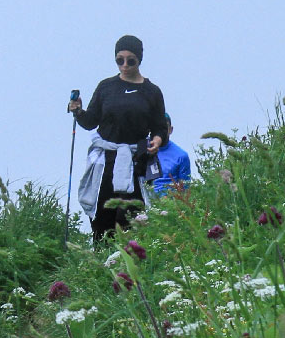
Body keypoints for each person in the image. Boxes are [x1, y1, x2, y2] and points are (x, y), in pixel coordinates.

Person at [67, 35, 166, 243]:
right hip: (105, 160)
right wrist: (78, 112)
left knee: (130, 216)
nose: (125, 65)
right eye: (119, 60)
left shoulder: (152, 92)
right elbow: (90, 122)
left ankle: (130, 261)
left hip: (135, 159)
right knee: (102, 215)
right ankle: (100, 261)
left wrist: (157, 140)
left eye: (131, 60)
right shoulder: (106, 87)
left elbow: (159, 128)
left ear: (139, 60)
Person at [145, 114, 193, 197]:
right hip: (144, 200)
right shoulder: (142, 150)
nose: (160, 132)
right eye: (157, 128)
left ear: (170, 130)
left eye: (164, 128)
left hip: (169, 203)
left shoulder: (181, 156)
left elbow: (185, 189)